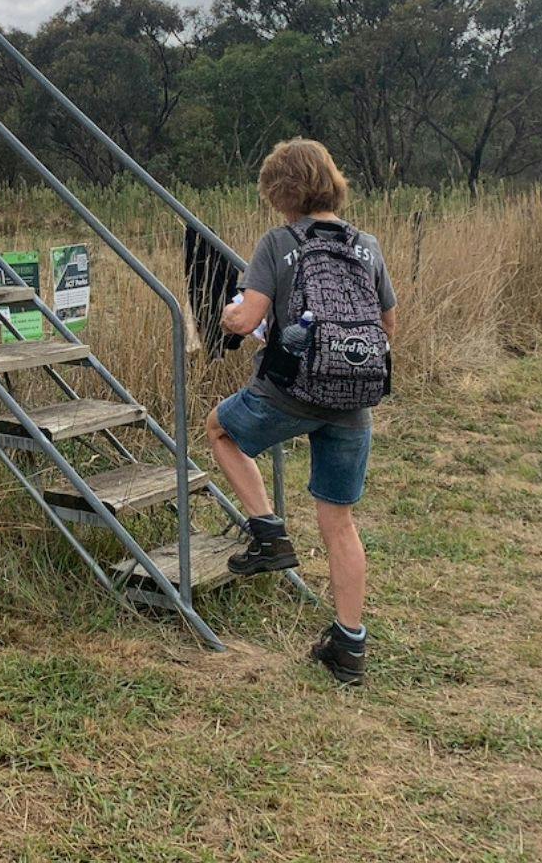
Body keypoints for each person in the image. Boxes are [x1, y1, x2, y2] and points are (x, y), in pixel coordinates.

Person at [210, 138, 398, 686]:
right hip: (354, 400)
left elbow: (246, 323)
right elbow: (389, 328)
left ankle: (268, 532)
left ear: (279, 191)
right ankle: (349, 646)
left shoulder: (277, 243)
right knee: (340, 522)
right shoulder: (369, 245)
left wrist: (228, 316)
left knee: (220, 429)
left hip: (290, 395)